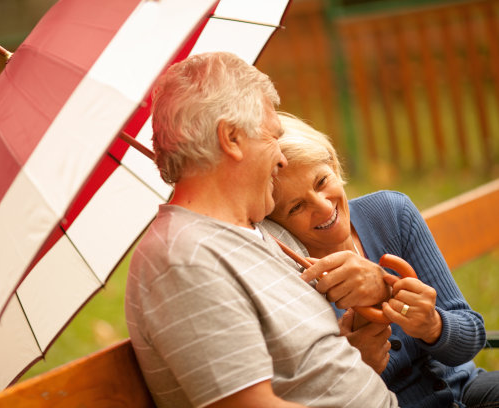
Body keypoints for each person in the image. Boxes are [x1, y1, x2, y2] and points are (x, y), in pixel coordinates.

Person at [124, 52, 399, 408]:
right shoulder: (182, 259)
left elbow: (305, 370)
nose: (281, 159)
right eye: (272, 137)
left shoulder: (263, 233)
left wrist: (369, 304)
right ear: (232, 138)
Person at [265, 112, 499, 408]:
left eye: (322, 181)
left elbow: (470, 339)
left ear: (334, 167)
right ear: (276, 223)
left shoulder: (391, 214)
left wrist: (433, 324)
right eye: (297, 206)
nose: (323, 207)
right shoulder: (289, 275)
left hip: (467, 390)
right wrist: (356, 368)